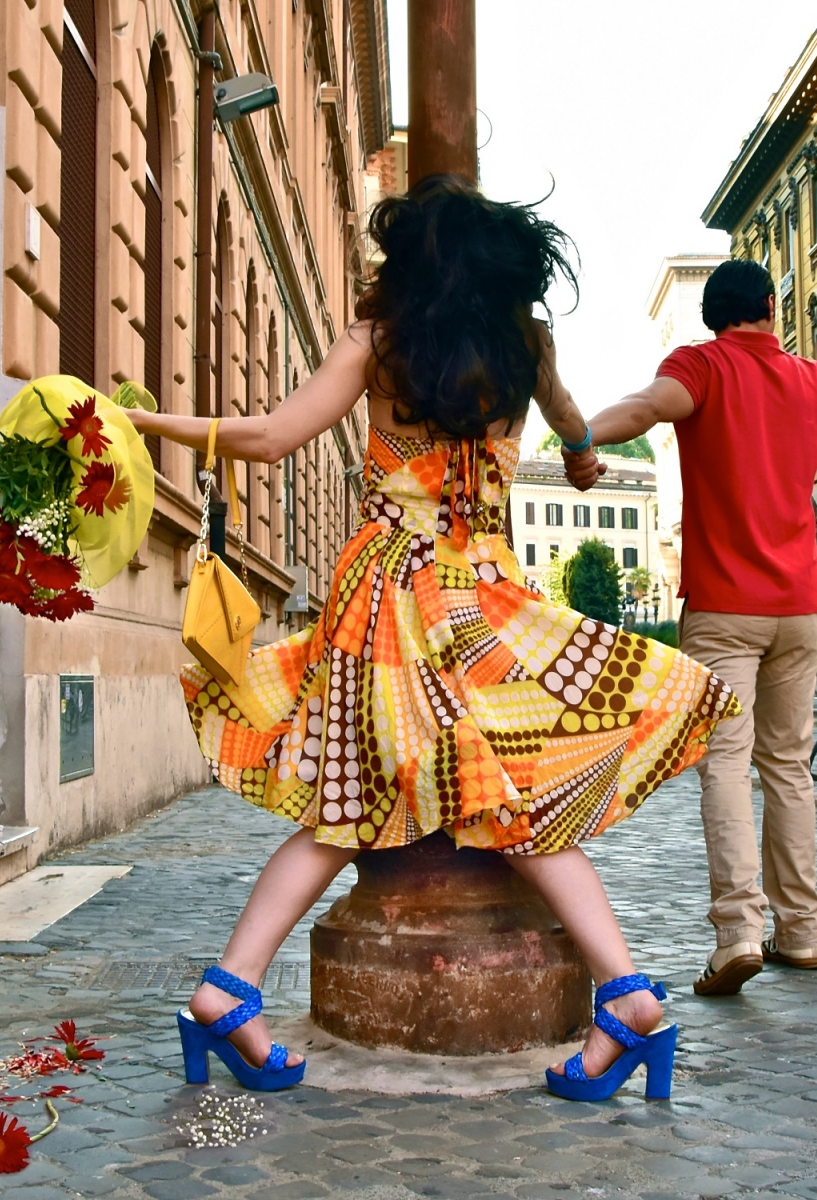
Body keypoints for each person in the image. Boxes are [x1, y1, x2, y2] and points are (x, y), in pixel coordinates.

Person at [125, 175, 738, 1099]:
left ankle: (229, 991)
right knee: (511, 796)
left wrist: (134, 421)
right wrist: (576, 456)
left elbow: (267, 435)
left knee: (352, 804)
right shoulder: (526, 345)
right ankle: (628, 999)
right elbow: (577, 437)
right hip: (482, 596)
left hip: (383, 604)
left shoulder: (378, 343)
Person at [563, 258, 817, 996]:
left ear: (714, 316)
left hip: (723, 610)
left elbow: (646, 407)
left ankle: (740, 933)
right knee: (789, 768)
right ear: (772, 308)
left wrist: (583, 438)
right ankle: (802, 933)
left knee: (726, 767)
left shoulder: (700, 366)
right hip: (802, 607)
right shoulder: (812, 380)